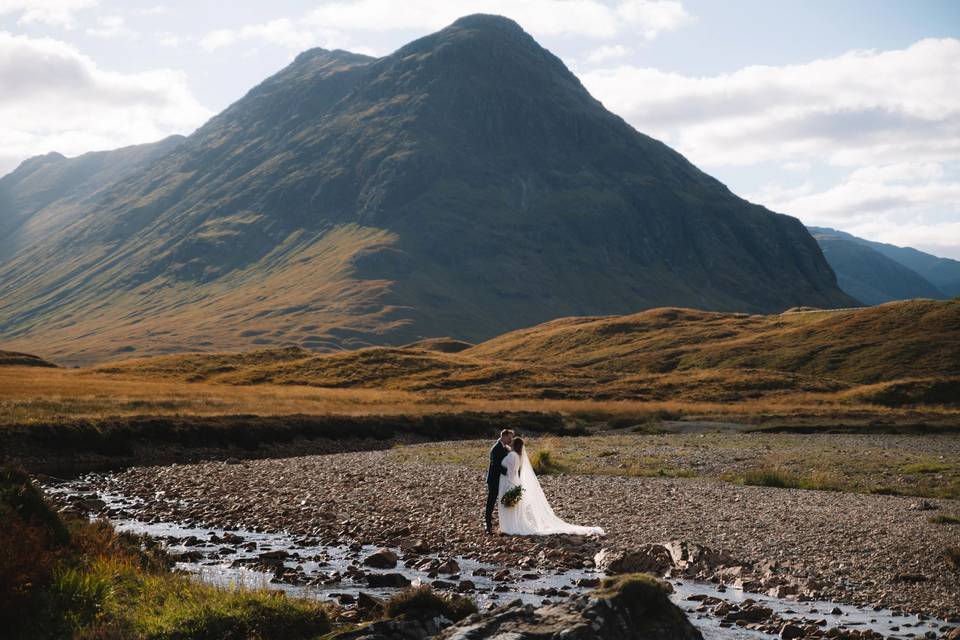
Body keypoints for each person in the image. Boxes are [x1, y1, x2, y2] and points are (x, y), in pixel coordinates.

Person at [497, 436, 604, 536]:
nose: (510, 443)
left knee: (509, 506)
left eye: (512, 443)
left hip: (510, 482)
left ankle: (509, 528)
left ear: (514, 445)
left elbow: (510, 472)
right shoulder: (518, 456)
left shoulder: (512, 455)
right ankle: (511, 526)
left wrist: (508, 485)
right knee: (513, 507)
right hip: (515, 482)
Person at [485, 429, 513, 534]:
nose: (511, 440)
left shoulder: (504, 447)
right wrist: (508, 472)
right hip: (494, 480)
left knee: (504, 502)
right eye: (509, 437)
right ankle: (488, 526)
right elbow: (496, 465)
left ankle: (506, 524)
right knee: (491, 502)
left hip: (502, 480)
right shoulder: (496, 448)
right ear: (504, 436)